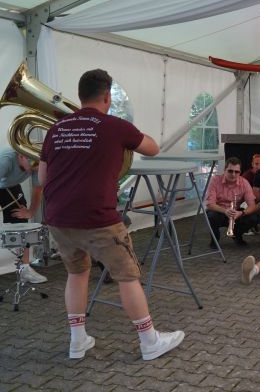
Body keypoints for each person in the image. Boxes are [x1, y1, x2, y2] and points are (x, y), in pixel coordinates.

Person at [39, 69, 183, 361]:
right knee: (127, 276)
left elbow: (43, 178)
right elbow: (153, 148)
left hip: (58, 217)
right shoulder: (115, 126)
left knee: (76, 273)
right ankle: (149, 341)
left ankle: (77, 341)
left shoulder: (56, 128)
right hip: (96, 216)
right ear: (107, 96)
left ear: (80, 96)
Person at [0, 148, 47, 283]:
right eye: (32, 165)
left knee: (21, 221)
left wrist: (31, 212)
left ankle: (24, 269)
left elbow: (37, 190)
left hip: (11, 185)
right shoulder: (6, 160)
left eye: (37, 166)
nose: (34, 169)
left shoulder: (37, 163)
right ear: (21, 156)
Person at [205, 157, 259, 248]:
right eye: (230, 171)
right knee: (211, 215)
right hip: (220, 211)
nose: (233, 174)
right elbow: (210, 204)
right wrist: (225, 211)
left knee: (254, 217)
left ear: (240, 172)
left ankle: (237, 235)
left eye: (236, 172)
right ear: (224, 170)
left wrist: (241, 213)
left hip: (236, 213)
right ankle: (215, 239)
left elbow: (252, 206)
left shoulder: (244, 183)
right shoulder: (215, 180)